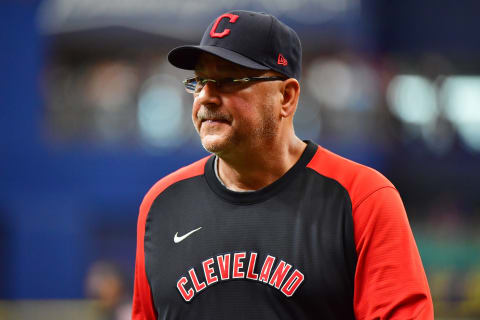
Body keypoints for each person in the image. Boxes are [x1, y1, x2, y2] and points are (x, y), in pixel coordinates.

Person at [132, 10, 434, 320]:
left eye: (228, 81)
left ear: (286, 97)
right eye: (200, 81)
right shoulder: (162, 204)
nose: (206, 97)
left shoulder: (361, 198)